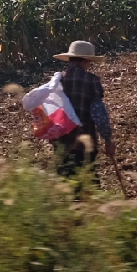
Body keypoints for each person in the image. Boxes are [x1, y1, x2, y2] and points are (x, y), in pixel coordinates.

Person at [49, 40, 117, 180]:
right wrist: (107, 139)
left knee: (66, 184)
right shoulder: (91, 81)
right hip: (84, 145)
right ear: (86, 61)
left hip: (61, 144)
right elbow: (99, 114)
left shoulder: (57, 81)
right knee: (88, 184)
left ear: (70, 59)